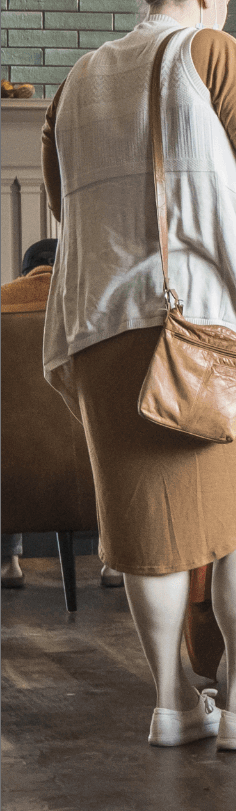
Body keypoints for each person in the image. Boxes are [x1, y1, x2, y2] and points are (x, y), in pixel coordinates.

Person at [40, 0, 236, 750]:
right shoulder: (211, 53)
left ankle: (173, 702)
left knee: (146, 529)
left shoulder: (78, 79)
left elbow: (63, 202)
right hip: (203, 337)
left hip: (101, 329)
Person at [0, 241, 122, 589]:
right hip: (90, 466)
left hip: (15, 472)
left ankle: (9, 563)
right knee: (112, 443)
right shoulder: (100, 306)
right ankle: (114, 562)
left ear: (25, 273)